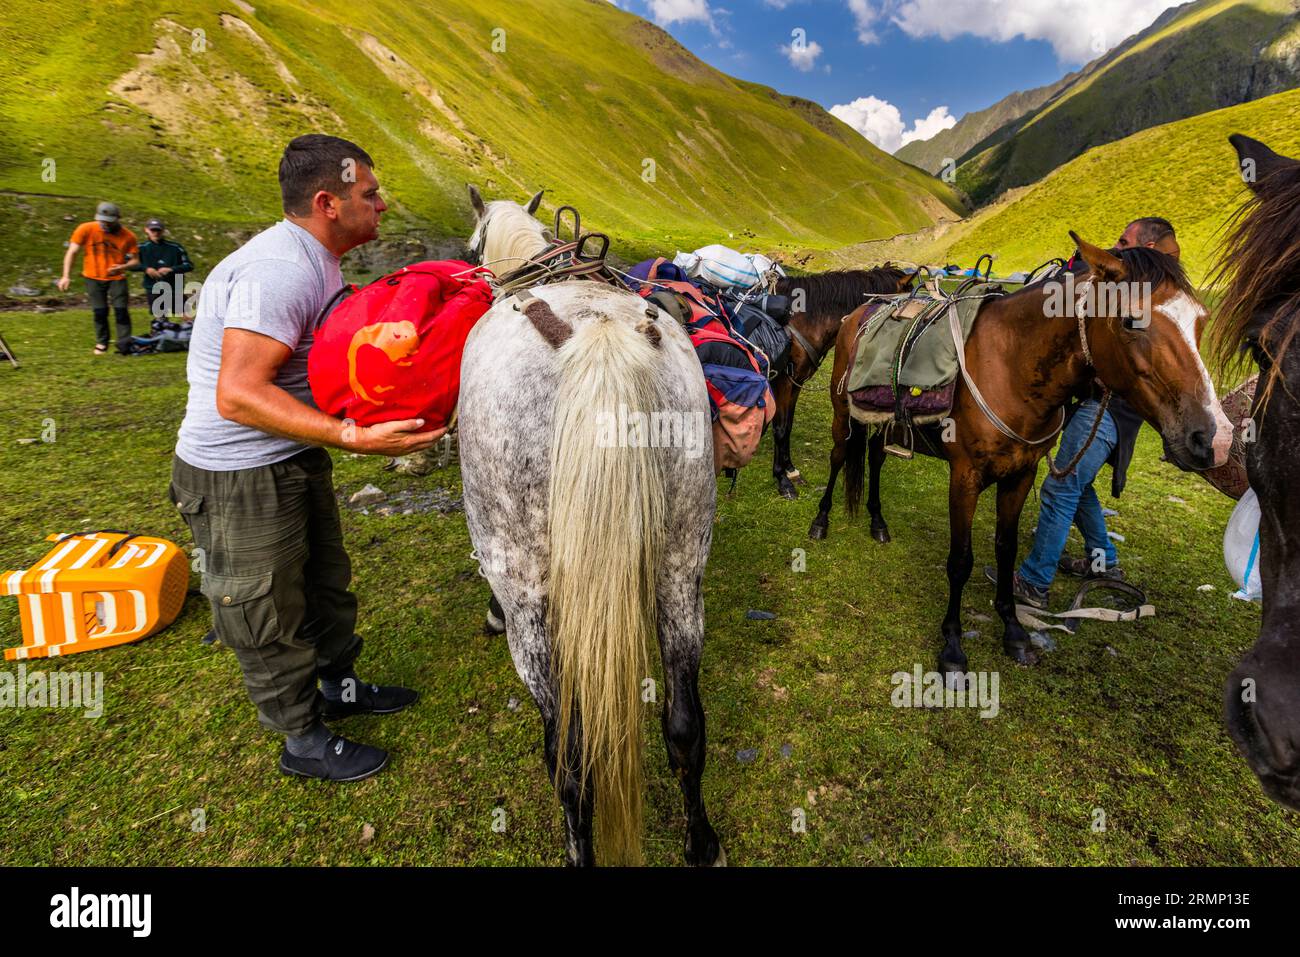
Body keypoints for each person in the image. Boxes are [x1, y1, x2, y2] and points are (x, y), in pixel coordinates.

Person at [169, 134, 440, 781]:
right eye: (369, 195)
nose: (382, 204)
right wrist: (352, 437)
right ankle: (302, 739)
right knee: (264, 608)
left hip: (291, 454)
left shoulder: (318, 260)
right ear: (328, 202)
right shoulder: (280, 268)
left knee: (322, 584)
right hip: (238, 474)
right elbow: (236, 393)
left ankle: (338, 691)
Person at [993, 217, 1181, 609]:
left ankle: (1033, 582)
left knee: (1061, 485)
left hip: (1108, 409)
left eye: (1124, 240)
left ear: (1146, 250)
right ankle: (1104, 561)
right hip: (1111, 409)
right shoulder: (1138, 293)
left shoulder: (1139, 301)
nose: (1116, 246)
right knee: (1080, 485)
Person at [56, 202, 140, 355]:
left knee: (121, 310)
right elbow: (72, 252)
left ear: (117, 219)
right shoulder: (86, 229)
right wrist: (65, 276)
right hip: (92, 277)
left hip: (117, 278)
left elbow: (135, 260)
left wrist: (121, 267)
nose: (104, 224)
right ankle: (102, 343)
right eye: (102, 220)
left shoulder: (128, 236)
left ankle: (124, 344)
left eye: (108, 221)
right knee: (99, 311)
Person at [129, 218, 194, 319]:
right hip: (153, 287)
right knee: (160, 319)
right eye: (153, 230)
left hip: (175, 287)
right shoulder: (141, 248)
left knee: (187, 317)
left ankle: (191, 334)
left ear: (163, 231)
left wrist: (171, 269)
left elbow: (189, 265)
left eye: (158, 230)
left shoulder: (176, 247)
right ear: (146, 230)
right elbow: (128, 264)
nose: (155, 233)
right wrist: (146, 269)